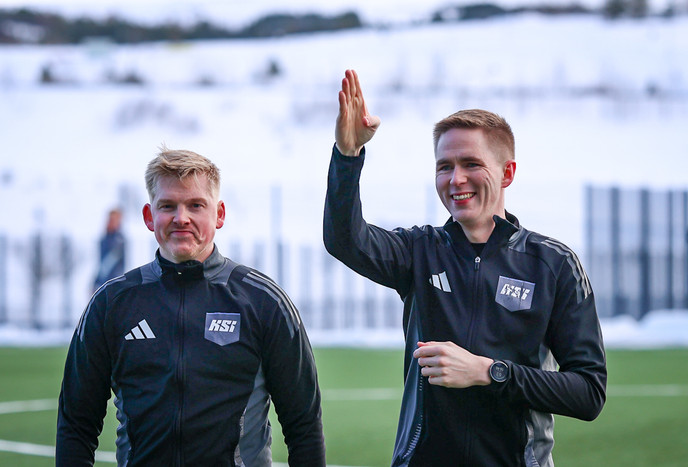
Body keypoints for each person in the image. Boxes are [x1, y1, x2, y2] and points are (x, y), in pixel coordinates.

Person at [323, 70, 606, 466]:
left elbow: (588, 392)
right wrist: (347, 155)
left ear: (507, 173)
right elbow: (344, 240)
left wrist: (489, 371)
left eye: (471, 164)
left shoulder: (553, 264)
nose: (456, 179)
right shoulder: (419, 251)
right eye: (444, 166)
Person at [57, 148, 325, 466]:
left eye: (196, 205)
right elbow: (76, 425)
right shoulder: (111, 304)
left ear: (219, 214)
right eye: (167, 206)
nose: (181, 218)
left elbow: (304, 426)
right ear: (149, 216)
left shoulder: (264, 302)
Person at [93, 208, 126, 291]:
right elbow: (101, 264)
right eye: (110, 219)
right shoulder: (105, 239)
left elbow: (109, 264)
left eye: (114, 220)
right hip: (103, 282)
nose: (110, 222)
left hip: (113, 284)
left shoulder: (119, 240)